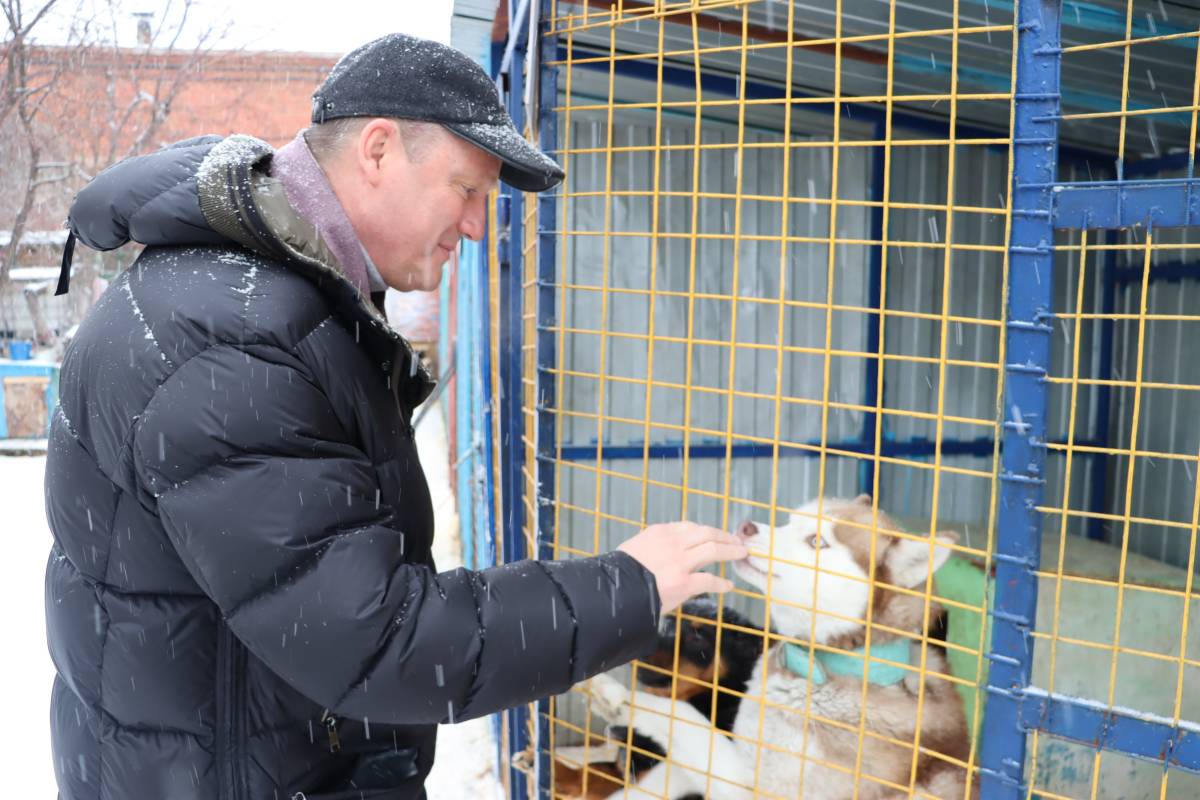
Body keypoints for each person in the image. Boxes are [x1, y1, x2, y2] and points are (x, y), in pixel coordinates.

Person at [44, 32, 747, 800]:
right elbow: (372, 640)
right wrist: (629, 587)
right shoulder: (230, 344)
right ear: (377, 150)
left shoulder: (277, 301)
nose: (478, 226)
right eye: (467, 189)